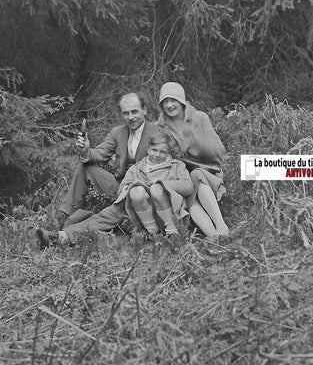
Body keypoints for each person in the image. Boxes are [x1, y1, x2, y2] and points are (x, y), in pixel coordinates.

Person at [37, 132, 193, 246]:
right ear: (148, 149)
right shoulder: (137, 168)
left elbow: (188, 186)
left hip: (165, 215)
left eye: (162, 152)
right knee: (103, 216)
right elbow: (123, 189)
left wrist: (162, 184)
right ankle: (61, 237)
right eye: (154, 150)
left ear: (169, 153)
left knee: (150, 191)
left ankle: (160, 236)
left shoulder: (176, 166)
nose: (157, 155)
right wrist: (134, 186)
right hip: (136, 210)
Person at [38, 92, 159, 235]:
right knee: (84, 167)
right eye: (126, 113)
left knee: (115, 212)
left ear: (144, 110)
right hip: (118, 186)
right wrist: (86, 151)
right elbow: (101, 153)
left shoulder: (157, 132)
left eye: (134, 112)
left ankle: (69, 231)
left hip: (140, 191)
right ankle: (63, 216)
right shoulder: (118, 132)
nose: (130, 117)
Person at [156, 81, 230, 239]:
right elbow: (158, 153)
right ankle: (214, 236)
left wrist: (193, 151)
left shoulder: (200, 118)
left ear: (181, 101)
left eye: (173, 100)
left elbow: (217, 150)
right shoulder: (160, 127)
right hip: (183, 174)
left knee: (198, 175)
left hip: (208, 169)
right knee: (189, 197)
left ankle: (221, 226)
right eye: (165, 102)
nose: (169, 105)